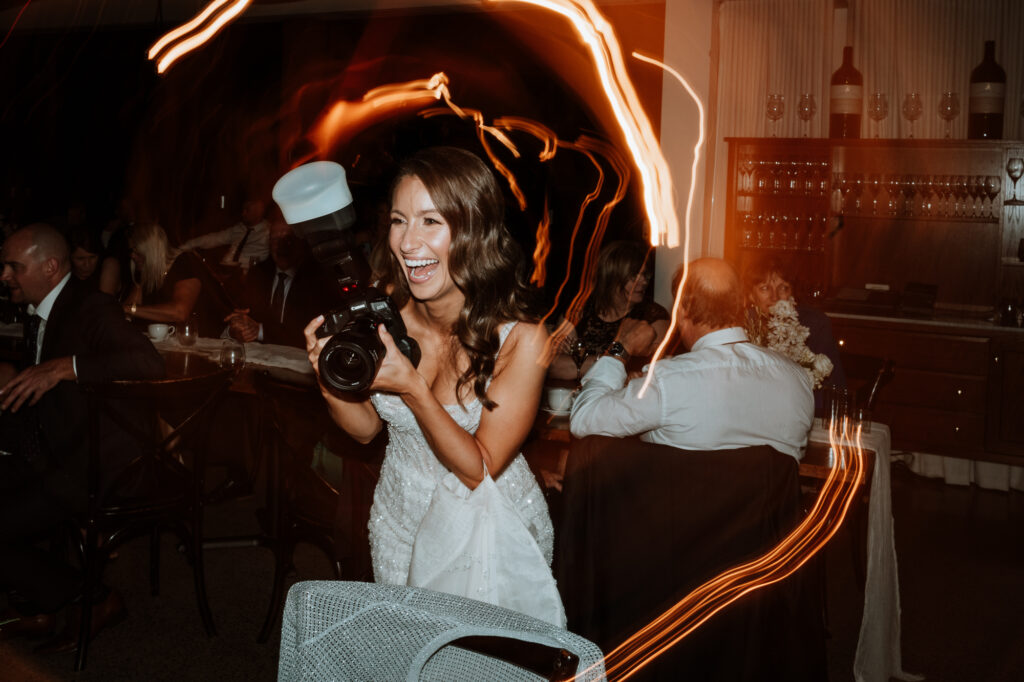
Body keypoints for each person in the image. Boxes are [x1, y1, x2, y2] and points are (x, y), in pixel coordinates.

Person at [303, 147, 557, 615]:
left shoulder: (522, 339)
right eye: (399, 220)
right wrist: (329, 379)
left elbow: (479, 470)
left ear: (474, 230)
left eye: (431, 222)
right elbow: (365, 430)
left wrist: (413, 389)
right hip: (399, 522)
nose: (407, 241)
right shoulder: (385, 315)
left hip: (488, 529)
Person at [0, 224, 164, 651]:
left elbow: (149, 363)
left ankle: (95, 596)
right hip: (51, 449)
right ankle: (44, 603)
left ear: (50, 267)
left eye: (13, 266)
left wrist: (64, 366)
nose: (4, 275)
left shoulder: (91, 306)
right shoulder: (41, 307)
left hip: (96, 464)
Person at [570, 257, 814, 459]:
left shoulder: (668, 382)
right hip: (763, 518)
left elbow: (583, 420)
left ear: (682, 310)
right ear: (741, 303)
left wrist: (620, 347)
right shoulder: (797, 380)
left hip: (681, 517)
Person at [548, 240, 669, 380]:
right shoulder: (579, 311)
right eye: (634, 276)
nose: (643, 282)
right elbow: (555, 367)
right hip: (579, 396)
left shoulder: (653, 316)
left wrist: (581, 365)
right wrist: (615, 363)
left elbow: (653, 376)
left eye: (645, 275)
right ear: (612, 277)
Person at [742, 256, 846, 414]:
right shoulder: (741, 325)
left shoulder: (815, 324)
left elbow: (833, 388)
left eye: (783, 288)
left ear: (792, 293)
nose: (774, 297)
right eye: (764, 288)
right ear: (751, 295)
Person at [225, 216, 339, 348]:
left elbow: (310, 332)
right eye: (275, 239)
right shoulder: (258, 273)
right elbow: (246, 313)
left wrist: (260, 331)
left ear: (301, 242)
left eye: (288, 239)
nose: (281, 246)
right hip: (260, 357)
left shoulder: (317, 279)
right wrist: (239, 324)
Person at [122, 222, 227, 337]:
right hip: (172, 344)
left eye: (136, 250)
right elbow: (126, 311)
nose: (132, 255)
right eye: (131, 251)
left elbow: (179, 312)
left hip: (205, 341)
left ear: (149, 249)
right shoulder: (146, 273)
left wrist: (130, 309)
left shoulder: (184, 262)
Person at [179, 197, 270, 268]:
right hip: (225, 273)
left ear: (258, 213)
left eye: (247, 210)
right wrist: (190, 244)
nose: (243, 214)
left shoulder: (269, 233)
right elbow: (215, 238)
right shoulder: (239, 228)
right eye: (243, 210)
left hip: (247, 282)